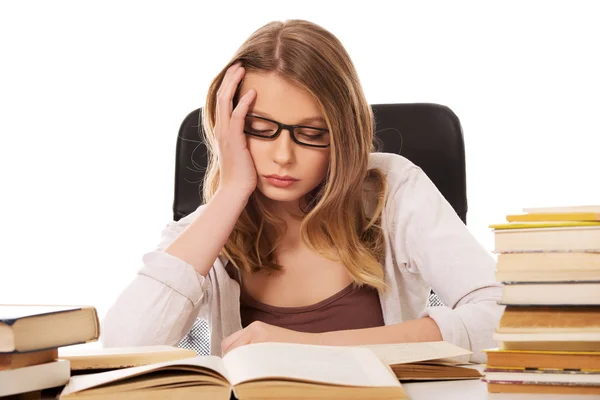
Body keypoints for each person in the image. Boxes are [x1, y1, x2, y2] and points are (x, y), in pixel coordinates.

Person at [102, 19, 502, 363]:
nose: (283, 156)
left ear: (344, 135)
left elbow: (505, 318)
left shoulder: (392, 189)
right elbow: (124, 351)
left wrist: (307, 347)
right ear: (230, 127)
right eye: (260, 128)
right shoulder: (210, 227)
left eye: (311, 134)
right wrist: (230, 193)